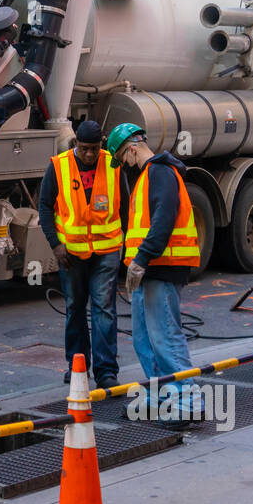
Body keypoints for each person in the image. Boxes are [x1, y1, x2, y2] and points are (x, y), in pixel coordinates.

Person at [108, 123, 202, 426]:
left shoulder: (160, 172)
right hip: (149, 268)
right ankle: (161, 393)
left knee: (164, 335)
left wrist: (142, 260)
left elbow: (164, 218)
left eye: (123, 157)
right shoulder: (150, 175)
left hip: (161, 267)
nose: (124, 164)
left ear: (132, 148)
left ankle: (188, 399)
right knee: (145, 337)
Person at [38, 120, 123, 388]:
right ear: (76, 144)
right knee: (75, 308)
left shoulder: (112, 164)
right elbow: (44, 206)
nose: (90, 154)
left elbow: (127, 205)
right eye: (85, 149)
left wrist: (127, 248)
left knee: (103, 309)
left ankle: (106, 371)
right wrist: (55, 244)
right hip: (71, 254)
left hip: (106, 250)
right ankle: (77, 365)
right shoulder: (59, 165)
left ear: (101, 145)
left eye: (95, 149)